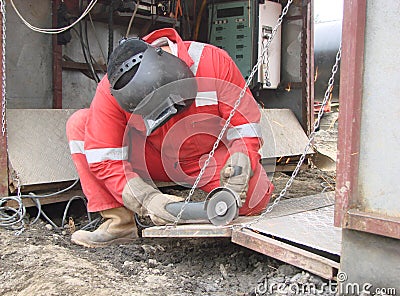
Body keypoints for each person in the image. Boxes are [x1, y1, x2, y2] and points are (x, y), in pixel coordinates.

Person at [66, 28, 274, 248]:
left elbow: (245, 126)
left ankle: (213, 205)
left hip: (206, 158)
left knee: (253, 199)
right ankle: (119, 224)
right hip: (151, 158)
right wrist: (147, 200)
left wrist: (242, 161)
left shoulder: (212, 61)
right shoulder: (112, 89)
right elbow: (104, 157)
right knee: (80, 124)